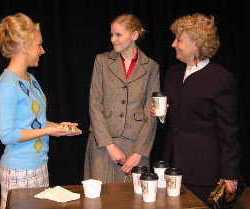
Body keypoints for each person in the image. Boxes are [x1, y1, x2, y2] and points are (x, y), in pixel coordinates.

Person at [0, 13, 82, 209]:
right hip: (19, 171)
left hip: (39, 166)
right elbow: (7, 135)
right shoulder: (7, 85)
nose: (42, 50)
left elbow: (36, 121)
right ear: (24, 47)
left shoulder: (30, 79)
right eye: (39, 45)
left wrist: (59, 126)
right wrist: (49, 131)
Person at [151, 13, 240, 205]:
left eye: (179, 40)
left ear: (197, 44)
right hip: (171, 166)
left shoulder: (221, 79)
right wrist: (162, 116)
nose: (173, 44)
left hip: (203, 171)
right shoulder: (173, 73)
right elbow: (172, 121)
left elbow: (229, 131)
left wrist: (229, 173)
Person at [84, 14, 160, 183]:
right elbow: (94, 105)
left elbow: (152, 113)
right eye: (112, 35)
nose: (113, 39)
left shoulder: (151, 67)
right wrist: (110, 146)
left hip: (135, 148)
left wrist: (139, 153)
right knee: (99, 200)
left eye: (118, 34)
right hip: (102, 145)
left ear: (134, 35)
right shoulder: (102, 61)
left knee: (133, 200)